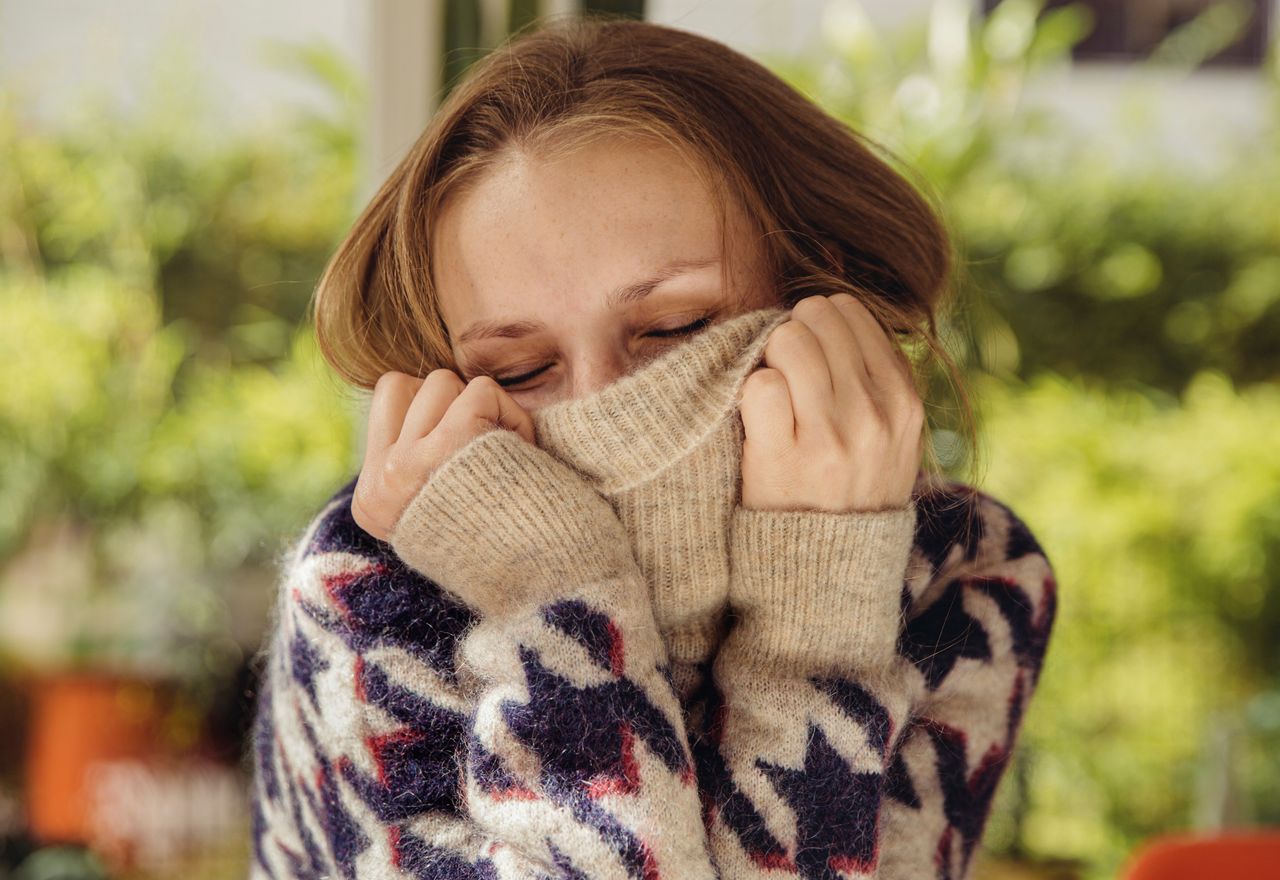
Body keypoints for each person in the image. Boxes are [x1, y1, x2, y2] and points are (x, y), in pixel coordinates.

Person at [246, 14, 1057, 880]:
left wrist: (819, 615)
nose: (604, 401)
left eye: (674, 326)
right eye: (521, 368)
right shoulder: (368, 597)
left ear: (814, 294)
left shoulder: (967, 577)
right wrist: (550, 595)